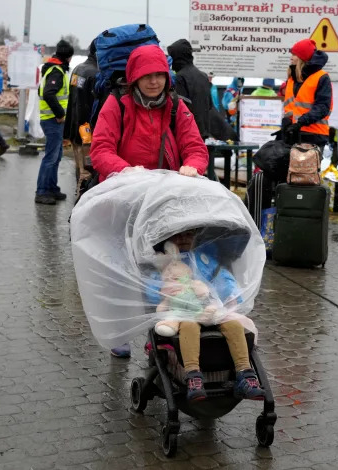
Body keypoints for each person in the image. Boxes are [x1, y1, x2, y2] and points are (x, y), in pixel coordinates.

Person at [91, 44, 209, 357]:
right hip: (124, 200)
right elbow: (101, 149)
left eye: (159, 75)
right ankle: (119, 331)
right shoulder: (118, 104)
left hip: (163, 204)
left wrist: (192, 168)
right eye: (147, 76)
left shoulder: (176, 107)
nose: (154, 81)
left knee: (159, 269)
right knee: (118, 269)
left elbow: (196, 148)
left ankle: (157, 333)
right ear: (134, 78)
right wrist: (126, 171)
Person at [148, 230, 265, 402]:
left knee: (234, 325)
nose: (183, 239)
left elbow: (221, 276)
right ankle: (193, 376)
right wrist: (166, 293)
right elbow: (153, 285)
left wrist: (230, 295)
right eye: (178, 235)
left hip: (209, 307)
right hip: (182, 314)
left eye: (188, 235)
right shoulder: (165, 263)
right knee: (189, 326)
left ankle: (245, 373)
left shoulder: (204, 258)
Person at [35, 39, 74, 205]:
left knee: (56, 155)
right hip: (52, 119)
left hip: (52, 119)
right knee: (51, 157)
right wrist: (59, 114)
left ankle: (51, 188)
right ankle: (42, 191)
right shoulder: (56, 72)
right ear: (68, 57)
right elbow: (49, 94)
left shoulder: (53, 69)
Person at [281, 39, 332, 148]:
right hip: (296, 134)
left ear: (302, 58)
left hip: (314, 135)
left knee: (307, 165)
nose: (291, 58)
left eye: (294, 54)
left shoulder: (321, 77)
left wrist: (300, 122)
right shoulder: (293, 78)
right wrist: (286, 123)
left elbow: (322, 107)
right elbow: (292, 106)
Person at [64, 39, 98, 199]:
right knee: (87, 175)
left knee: (80, 171)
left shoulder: (78, 69)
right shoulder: (95, 73)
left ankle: (79, 199)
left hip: (75, 128)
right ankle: (82, 203)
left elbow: (73, 101)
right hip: (88, 134)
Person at [167, 39, 213, 139]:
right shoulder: (203, 76)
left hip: (187, 131)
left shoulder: (180, 77)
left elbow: (179, 107)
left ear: (177, 57)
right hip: (203, 130)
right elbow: (210, 105)